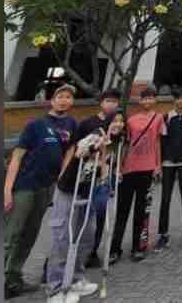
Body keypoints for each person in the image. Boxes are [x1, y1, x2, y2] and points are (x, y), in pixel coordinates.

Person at [4, 84, 77, 300]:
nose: (64, 100)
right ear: (52, 100)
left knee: (29, 236)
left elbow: (71, 150)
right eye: (60, 96)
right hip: (24, 187)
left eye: (68, 97)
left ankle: (13, 278)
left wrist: (61, 177)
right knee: (11, 235)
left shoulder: (71, 124)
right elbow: (16, 157)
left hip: (46, 188)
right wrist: (7, 190)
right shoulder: (36, 125)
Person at [46, 112, 124, 303]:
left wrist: (109, 176)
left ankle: (75, 279)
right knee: (63, 238)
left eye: (122, 122)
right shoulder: (96, 134)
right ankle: (56, 288)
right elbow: (80, 152)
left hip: (86, 191)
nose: (118, 125)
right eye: (115, 121)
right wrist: (92, 147)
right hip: (68, 191)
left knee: (87, 236)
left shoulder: (114, 143)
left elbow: (104, 167)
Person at [109, 87, 163, 264]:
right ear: (140, 101)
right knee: (122, 210)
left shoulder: (158, 118)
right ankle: (114, 248)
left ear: (155, 100)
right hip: (129, 168)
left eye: (150, 98)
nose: (147, 101)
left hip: (147, 169)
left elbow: (157, 142)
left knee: (142, 211)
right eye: (144, 99)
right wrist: (119, 167)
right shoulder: (131, 120)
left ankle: (138, 247)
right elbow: (125, 144)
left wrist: (157, 165)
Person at [77, 89, 121, 267]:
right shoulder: (88, 122)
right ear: (101, 102)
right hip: (87, 175)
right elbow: (78, 148)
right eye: (108, 101)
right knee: (83, 215)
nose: (112, 104)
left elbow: (119, 149)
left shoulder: (118, 124)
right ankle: (74, 251)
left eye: (115, 102)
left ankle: (92, 250)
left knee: (101, 213)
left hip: (106, 174)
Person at [155, 89, 182, 252]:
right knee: (165, 198)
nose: (181, 100)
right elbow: (163, 141)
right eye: (178, 98)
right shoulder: (167, 117)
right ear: (174, 100)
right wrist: (160, 163)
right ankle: (163, 234)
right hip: (168, 163)